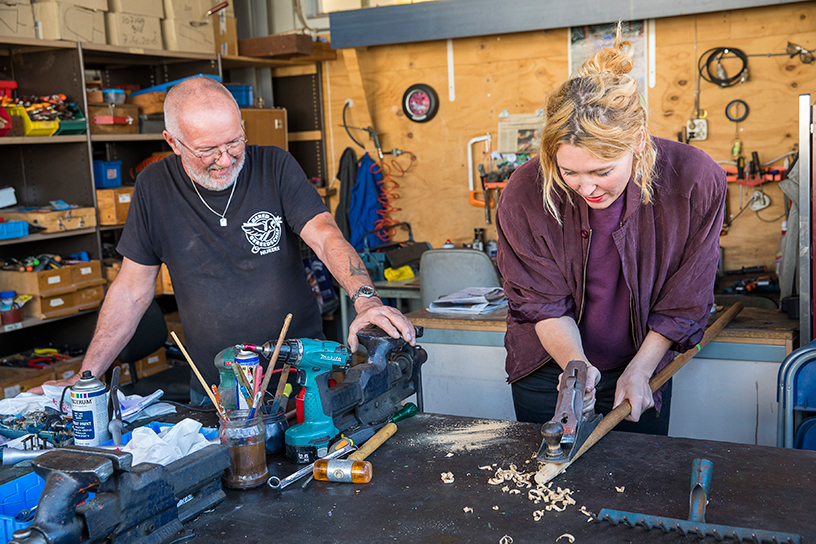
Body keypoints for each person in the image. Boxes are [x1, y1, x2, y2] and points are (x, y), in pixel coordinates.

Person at [34, 76, 415, 403]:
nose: (226, 159)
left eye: (234, 142)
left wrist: (367, 301)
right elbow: (132, 291)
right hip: (215, 388)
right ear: (173, 141)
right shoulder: (154, 187)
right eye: (207, 150)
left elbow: (325, 236)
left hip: (300, 378)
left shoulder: (275, 166)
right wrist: (86, 377)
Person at [496, 28, 726, 435]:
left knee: (634, 484)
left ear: (637, 141)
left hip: (643, 363)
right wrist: (576, 368)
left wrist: (641, 369)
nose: (586, 188)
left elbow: (685, 299)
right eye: (569, 172)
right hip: (551, 368)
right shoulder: (526, 190)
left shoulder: (694, 179)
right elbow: (541, 304)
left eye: (602, 171)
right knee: (547, 483)